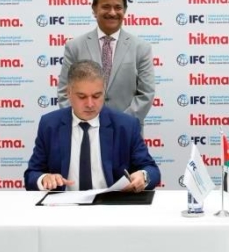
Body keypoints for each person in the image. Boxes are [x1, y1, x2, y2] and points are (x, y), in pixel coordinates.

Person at [26, 60, 160, 192]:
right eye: (82, 97)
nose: (90, 104)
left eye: (96, 96)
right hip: (64, 203)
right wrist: (44, 179)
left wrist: (143, 176)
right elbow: (32, 174)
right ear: (68, 93)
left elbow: (152, 170)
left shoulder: (126, 125)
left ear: (104, 92)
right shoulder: (49, 124)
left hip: (111, 203)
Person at [57, 0, 155, 126]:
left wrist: (120, 124)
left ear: (125, 10)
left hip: (126, 131)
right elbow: (64, 92)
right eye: (106, 7)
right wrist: (84, 121)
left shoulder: (141, 48)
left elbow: (146, 94)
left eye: (118, 7)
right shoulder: (74, 47)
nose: (112, 13)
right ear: (94, 10)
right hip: (84, 130)